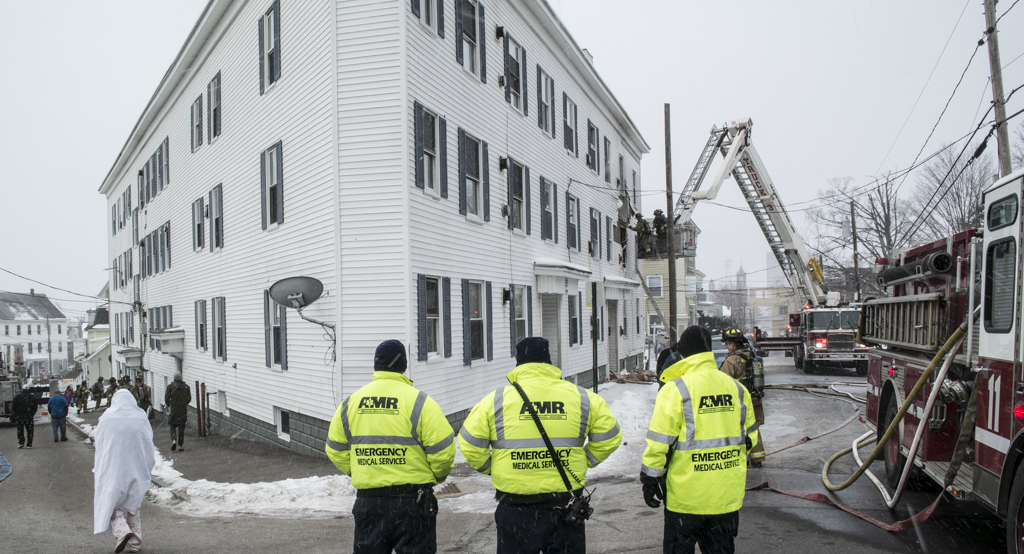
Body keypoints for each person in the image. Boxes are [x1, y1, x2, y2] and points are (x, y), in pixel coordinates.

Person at [459, 337, 622, 554]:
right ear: (549, 361)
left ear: (518, 363)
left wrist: (492, 467)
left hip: (516, 509)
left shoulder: (496, 400)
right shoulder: (581, 397)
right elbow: (609, 436)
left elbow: (469, 442)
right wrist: (586, 460)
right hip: (564, 507)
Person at [326, 340, 455, 554]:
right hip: (413, 503)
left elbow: (334, 449)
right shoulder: (420, 402)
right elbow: (443, 451)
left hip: (369, 503)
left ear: (376, 366)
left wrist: (360, 469)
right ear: (404, 366)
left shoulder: (350, 403)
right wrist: (436, 476)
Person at [641, 326, 758, 554]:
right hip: (725, 499)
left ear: (683, 354)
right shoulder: (735, 388)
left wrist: (650, 479)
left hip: (686, 500)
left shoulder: (676, 390)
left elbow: (659, 443)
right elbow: (750, 438)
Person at [93, 389, 155, 554]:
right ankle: (135, 542)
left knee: (112, 501)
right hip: (135, 466)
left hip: (114, 467)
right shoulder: (140, 416)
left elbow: (99, 440)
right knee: (134, 505)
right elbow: (148, 439)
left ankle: (122, 530)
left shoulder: (107, 417)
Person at [720, 328, 765, 467]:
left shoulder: (731, 361)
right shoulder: (751, 356)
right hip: (755, 398)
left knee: (738, 430)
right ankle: (757, 458)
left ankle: (742, 459)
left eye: (727, 344)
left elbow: (723, 382)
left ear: (733, 345)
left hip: (739, 401)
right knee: (753, 428)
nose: (727, 347)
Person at [165, 373, 191, 452]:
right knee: (181, 429)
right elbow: (189, 398)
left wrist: (169, 404)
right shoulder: (186, 387)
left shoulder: (170, 387)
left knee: (172, 427)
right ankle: (180, 446)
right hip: (183, 412)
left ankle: (174, 441)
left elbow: (166, 397)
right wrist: (184, 404)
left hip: (173, 412)